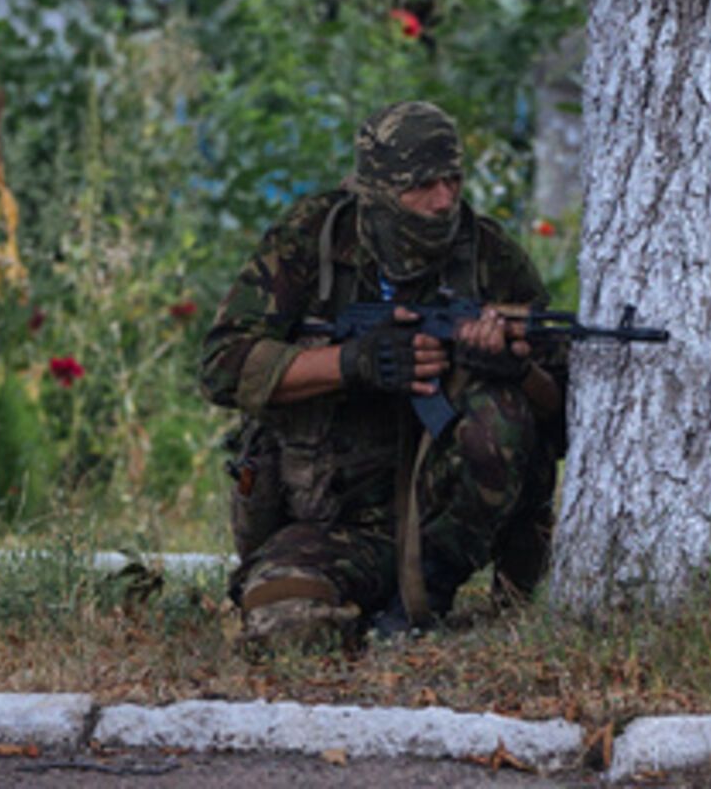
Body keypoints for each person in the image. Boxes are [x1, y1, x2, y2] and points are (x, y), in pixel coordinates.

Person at [200, 101, 566, 649]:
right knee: (285, 625)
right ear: (375, 190)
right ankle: (364, 615)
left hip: (449, 527)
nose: (443, 200)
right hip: (338, 523)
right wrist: (352, 363)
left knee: (500, 413)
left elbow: (563, 414)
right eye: (422, 186)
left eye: (453, 180)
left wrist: (515, 370)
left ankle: (425, 596)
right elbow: (222, 367)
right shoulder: (312, 241)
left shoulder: (489, 258)